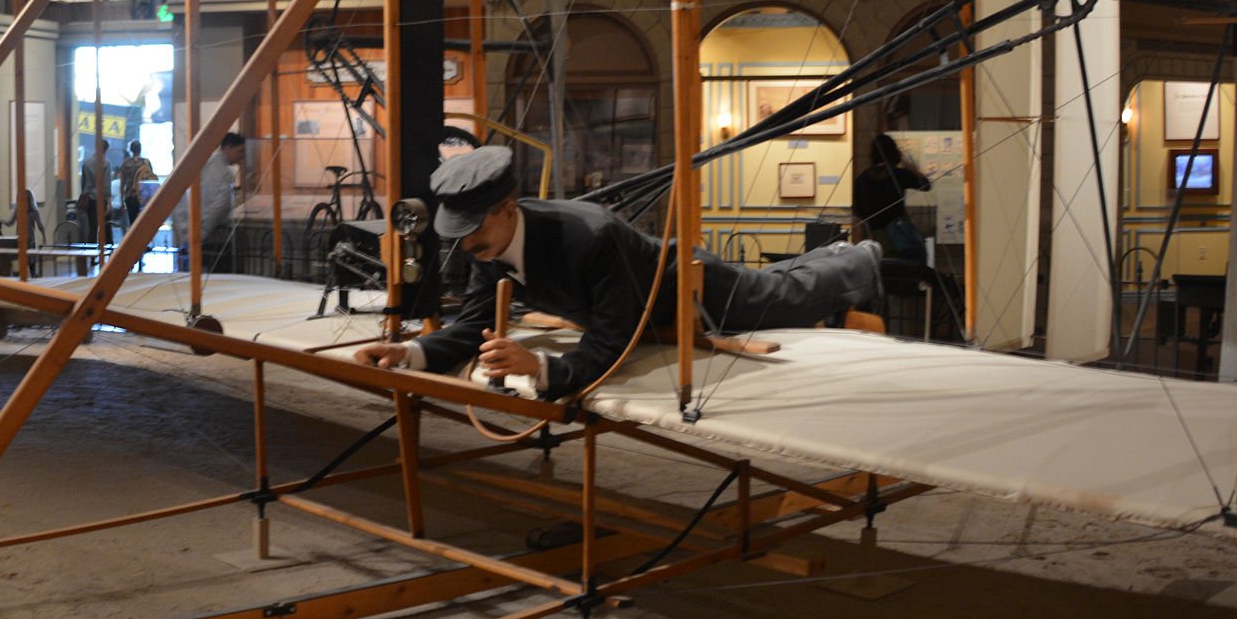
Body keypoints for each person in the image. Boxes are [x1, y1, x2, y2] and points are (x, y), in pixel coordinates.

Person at [356, 145, 881, 401]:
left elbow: (612, 342)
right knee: (786, 282)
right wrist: (409, 353)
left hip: (688, 288)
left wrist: (537, 366)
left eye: (474, 228)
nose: (467, 243)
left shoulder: (593, 235)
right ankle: (837, 254)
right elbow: (472, 326)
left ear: (509, 206)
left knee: (787, 295)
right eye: (459, 231)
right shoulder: (484, 247)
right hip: (639, 298)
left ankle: (861, 258)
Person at [171, 132, 246, 270]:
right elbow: (219, 207)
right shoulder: (224, 173)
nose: (241, 157)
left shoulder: (205, 164)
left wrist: (185, 229)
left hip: (194, 230)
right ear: (228, 147)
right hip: (209, 235)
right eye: (239, 151)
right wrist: (201, 232)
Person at [851, 132, 931, 262]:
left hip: (873, 239)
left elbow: (858, 216)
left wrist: (859, 244)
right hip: (898, 237)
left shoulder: (862, 179)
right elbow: (926, 185)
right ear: (894, 152)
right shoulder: (899, 175)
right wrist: (909, 165)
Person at [78, 137, 115, 240]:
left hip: (89, 198)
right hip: (102, 199)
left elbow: (83, 183)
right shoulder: (106, 164)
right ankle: (108, 253)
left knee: (92, 228)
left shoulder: (86, 163)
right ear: (106, 150)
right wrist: (109, 202)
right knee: (106, 228)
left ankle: (91, 253)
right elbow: (106, 186)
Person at [118, 139, 157, 227]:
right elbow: (151, 181)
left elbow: (122, 183)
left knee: (132, 222)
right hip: (142, 196)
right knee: (143, 222)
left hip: (129, 195)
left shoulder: (125, 163)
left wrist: (121, 200)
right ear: (140, 149)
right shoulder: (146, 162)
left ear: (131, 150)